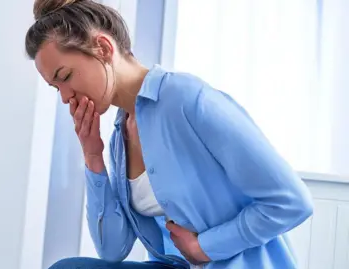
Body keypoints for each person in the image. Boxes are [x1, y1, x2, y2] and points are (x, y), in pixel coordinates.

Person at [25, 0, 314, 268]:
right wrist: (92, 156)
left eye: (64, 77)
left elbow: (291, 201)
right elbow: (112, 250)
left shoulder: (186, 98)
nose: (64, 97)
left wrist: (205, 247)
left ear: (103, 48)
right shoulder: (119, 137)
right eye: (55, 87)